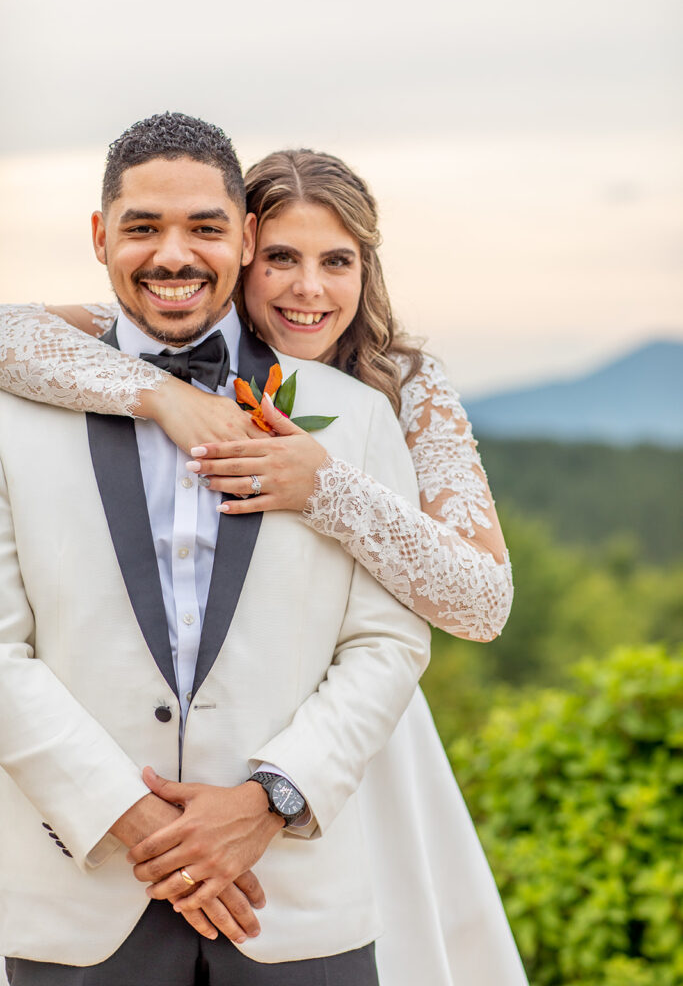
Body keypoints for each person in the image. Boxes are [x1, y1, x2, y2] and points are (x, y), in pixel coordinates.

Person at [0, 132, 528, 985]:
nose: (306, 288)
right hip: (85, 887)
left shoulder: (388, 394)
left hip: (332, 778)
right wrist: (164, 395)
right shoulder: (85, 355)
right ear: (250, 252)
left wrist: (326, 487)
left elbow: (464, 608)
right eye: (282, 256)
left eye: (336, 261)